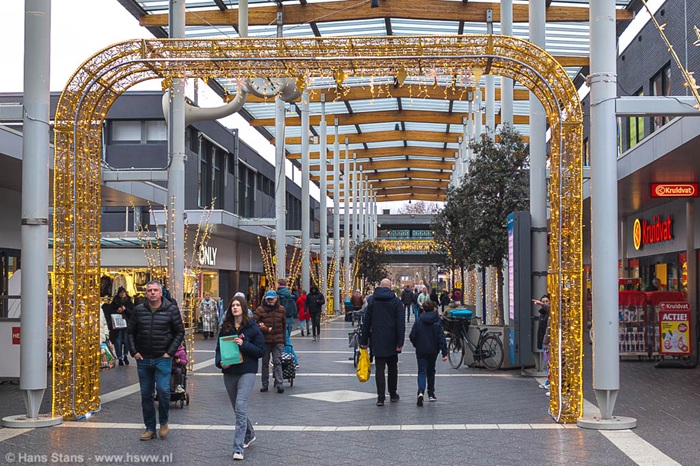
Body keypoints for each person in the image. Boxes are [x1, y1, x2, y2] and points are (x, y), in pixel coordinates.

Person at [128, 280, 185, 441]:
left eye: (155, 290)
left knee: (163, 391)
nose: (152, 293)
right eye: (149, 290)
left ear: (161, 293)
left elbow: (179, 332)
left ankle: (164, 422)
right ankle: (150, 428)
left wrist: (170, 352)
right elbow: (130, 332)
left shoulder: (171, 310)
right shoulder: (139, 310)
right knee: (146, 394)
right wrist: (134, 352)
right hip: (143, 358)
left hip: (162, 358)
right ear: (146, 294)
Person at [216, 295, 265, 461]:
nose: (235, 307)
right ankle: (249, 433)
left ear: (243, 308)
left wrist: (244, 345)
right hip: (229, 372)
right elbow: (218, 350)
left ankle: (238, 448)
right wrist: (220, 363)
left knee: (240, 406)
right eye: (233, 305)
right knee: (238, 409)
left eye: (238, 305)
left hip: (247, 371)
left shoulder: (252, 328)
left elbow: (260, 351)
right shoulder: (226, 328)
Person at [360, 278, 405, 407]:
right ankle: (393, 394)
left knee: (379, 369)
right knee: (392, 368)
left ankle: (380, 397)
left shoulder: (372, 301)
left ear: (380, 286)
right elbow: (400, 324)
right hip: (392, 339)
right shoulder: (396, 301)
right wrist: (400, 342)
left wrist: (364, 340)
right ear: (390, 287)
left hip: (377, 339)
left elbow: (366, 322)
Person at [409, 301, 448, 406]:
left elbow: (412, 335)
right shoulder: (437, 321)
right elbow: (441, 337)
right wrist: (444, 352)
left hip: (421, 349)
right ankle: (431, 394)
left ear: (424, 309)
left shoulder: (419, 321)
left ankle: (421, 392)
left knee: (422, 371)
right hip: (433, 350)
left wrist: (416, 344)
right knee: (431, 371)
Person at [253, 290, 287, 393]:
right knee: (265, 363)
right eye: (268, 299)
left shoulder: (281, 309)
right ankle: (265, 384)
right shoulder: (260, 310)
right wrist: (263, 328)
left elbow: (283, 325)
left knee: (277, 361)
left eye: (272, 299)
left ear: (276, 299)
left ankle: (279, 383)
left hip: (278, 340)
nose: (270, 301)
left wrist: (284, 340)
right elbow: (253, 323)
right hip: (265, 340)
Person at [105, 286, 134, 366]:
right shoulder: (114, 302)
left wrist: (125, 310)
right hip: (117, 325)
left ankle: (125, 355)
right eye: (121, 293)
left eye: (123, 293)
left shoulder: (129, 302)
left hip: (127, 324)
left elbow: (132, 313)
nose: (122, 294)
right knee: (118, 340)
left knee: (126, 340)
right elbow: (110, 312)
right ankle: (120, 358)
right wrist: (117, 311)